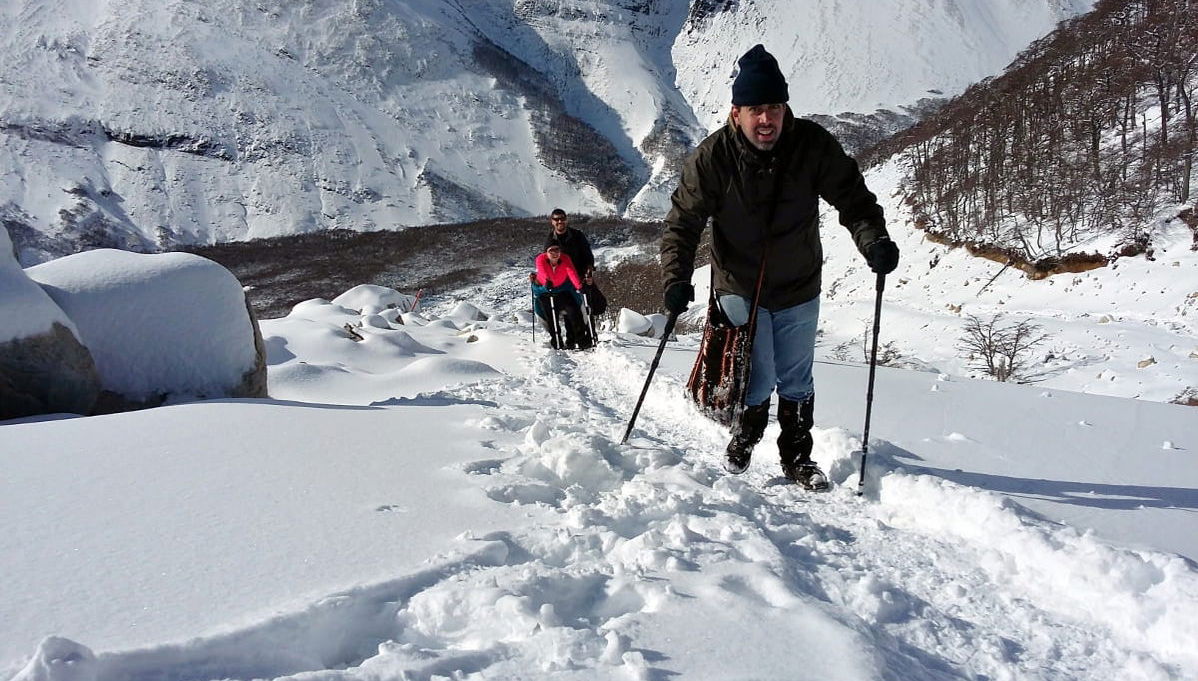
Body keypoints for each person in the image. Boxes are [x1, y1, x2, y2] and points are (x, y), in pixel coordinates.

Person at [659, 44, 900, 489]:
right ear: (736, 114)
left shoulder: (812, 146)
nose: (765, 119)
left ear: (786, 109)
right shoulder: (712, 159)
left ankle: (796, 457)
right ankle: (746, 432)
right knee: (760, 370)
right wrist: (676, 278)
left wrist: (874, 241)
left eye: (774, 107)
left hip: (798, 281)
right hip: (738, 283)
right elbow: (682, 223)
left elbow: (854, 199)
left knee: (795, 374)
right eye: (755, 109)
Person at [530, 241, 591, 350]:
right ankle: (557, 342)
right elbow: (542, 271)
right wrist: (547, 282)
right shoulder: (541, 259)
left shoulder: (565, 259)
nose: (555, 253)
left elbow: (571, 272)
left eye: (557, 250)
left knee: (574, 312)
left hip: (562, 291)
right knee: (551, 317)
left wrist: (579, 286)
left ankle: (582, 341)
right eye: (551, 251)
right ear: (546, 253)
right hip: (546, 292)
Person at [545, 209, 595, 277]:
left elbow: (588, 254)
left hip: (579, 275)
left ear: (566, 220)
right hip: (561, 279)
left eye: (562, 218)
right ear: (552, 222)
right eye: (556, 219)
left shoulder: (577, 235)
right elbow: (545, 260)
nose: (560, 221)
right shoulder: (550, 239)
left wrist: (589, 269)